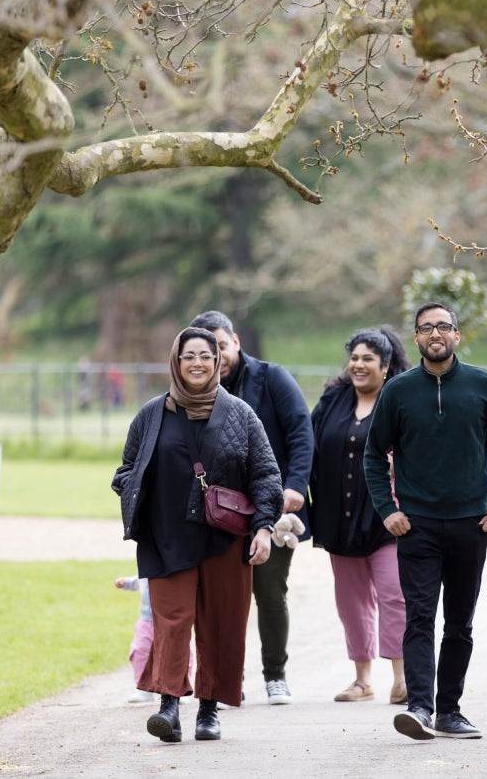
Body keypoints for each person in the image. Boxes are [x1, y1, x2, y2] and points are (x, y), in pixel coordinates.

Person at [363, 302, 487, 741]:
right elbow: (373, 454)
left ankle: (449, 712)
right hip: (415, 527)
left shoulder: (482, 385)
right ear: (416, 338)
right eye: (425, 328)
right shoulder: (397, 391)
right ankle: (419, 708)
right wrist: (388, 509)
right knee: (420, 618)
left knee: (460, 622)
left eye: (443, 326)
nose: (434, 334)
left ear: (457, 335)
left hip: (470, 526)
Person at [111, 327, 282, 743]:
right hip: (165, 537)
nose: (198, 363)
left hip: (224, 539)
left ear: (218, 361)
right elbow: (124, 471)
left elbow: (266, 475)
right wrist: (138, 493)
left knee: (221, 624)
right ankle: (168, 707)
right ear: (176, 361)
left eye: (205, 355)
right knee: (171, 622)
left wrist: (263, 526)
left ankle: (209, 709)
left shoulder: (241, 414)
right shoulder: (151, 415)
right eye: (188, 356)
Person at [190, 310, 314, 705]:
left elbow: (300, 431)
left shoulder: (272, 377)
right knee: (222, 598)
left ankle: (275, 674)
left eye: (222, 346)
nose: (216, 356)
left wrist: (294, 485)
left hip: (271, 506)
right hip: (216, 513)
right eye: (208, 350)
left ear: (236, 342)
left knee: (269, 591)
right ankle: (229, 679)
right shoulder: (193, 388)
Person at [308, 326, 411, 705]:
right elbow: (309, 446)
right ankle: (362, 680)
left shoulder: (399, 400)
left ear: (386, 365)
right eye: (354, 358)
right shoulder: (333, 400)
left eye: (368, 358)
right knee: (351, 602)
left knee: (394, 595)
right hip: (340, 517)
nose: (359, 365)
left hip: (389, 519)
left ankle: (402, 680)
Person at [114, 575, 197, 703]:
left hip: (171, 619)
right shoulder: (148, 571)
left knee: (178, 652)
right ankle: (144, 688)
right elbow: (137, 582)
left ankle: (180, 688)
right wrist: (125, 583)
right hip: (147, 620)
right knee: (140, 651)